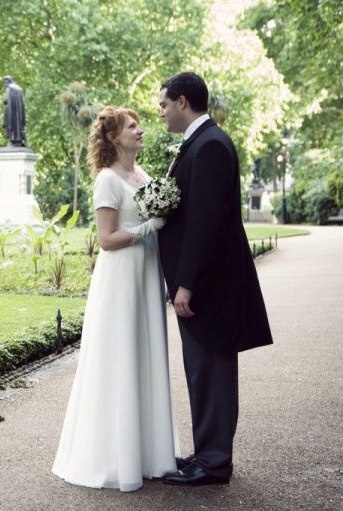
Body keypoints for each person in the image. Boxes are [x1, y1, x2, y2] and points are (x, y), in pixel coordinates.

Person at [52, 106, 178, 492]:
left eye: (138, 125)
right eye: (132, 127)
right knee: (121, 355)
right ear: (112, 138)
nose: (140, 131)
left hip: (145, 274)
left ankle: (150, 454)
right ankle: (113, 457)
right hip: (121, 277)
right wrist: (147, 227)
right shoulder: (107, 180)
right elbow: (107, 240)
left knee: (145, 354)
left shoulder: (143, 175)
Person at [157, 72, 273, 486]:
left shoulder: (209, 147)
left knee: (212, 369)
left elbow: (205, 223)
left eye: (164, 104)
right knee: (202, 370)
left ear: (184, 101)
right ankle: (207, 452)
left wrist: (185, 283)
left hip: (208, 286)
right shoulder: (204, 143)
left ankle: (215, 461)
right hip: (208, 282)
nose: (162, 112)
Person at [2, 76, 27, 146]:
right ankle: (18, 138)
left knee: (12, 125)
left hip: (11, 114)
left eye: (5, 82)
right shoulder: (19, 89)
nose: (5, 84)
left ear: (8, 81)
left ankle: (14, 138)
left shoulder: (9, 89)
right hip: (19, 114)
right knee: (18, 125)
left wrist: (5, 102)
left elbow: (7, 102)